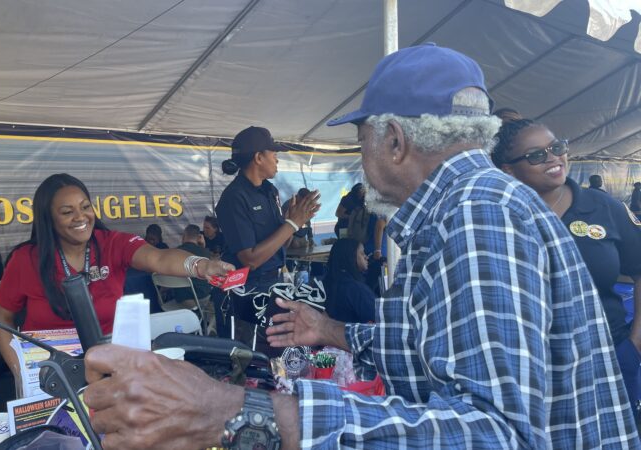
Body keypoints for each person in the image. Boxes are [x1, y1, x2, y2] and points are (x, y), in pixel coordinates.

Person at [82, 44, 639, 450]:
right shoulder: (471, 205)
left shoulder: (477, 216)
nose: (360, 155)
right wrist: (334, 332)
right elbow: (438, 348)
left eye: (361, 138)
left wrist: (236, 409)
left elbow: (499, 433)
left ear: (394, 140)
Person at [0, 174, 232, 378]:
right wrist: (20, 369)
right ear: (48, 218)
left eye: (85, 207)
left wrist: (201, 265)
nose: (80, 217)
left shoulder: (112, 243)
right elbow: (1, 318)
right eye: (67, 211)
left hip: (110, 367)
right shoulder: (25, 259)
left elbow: (159, 258)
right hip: (51, 373)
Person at [493, 118, 641, 416]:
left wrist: (635, 344)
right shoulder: (499, 217)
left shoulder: (604, 208)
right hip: (530, 368)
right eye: (536, 155)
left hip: (609, 355)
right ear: (508, 169)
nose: (552, 158)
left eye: (556, 147)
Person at [212, 126, 320, 354]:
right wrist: (291, 224)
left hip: (274, 282)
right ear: (258, 157)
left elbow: (281, 245)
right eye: (274, 154)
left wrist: (290, 225)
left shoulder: (270, 191)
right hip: (247, 289)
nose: (277, 160)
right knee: (248, 356)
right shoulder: (234, 198)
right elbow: (250, 259)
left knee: (276, 351)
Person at [173, 224, 215, 332]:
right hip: (201, 298)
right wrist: (203, 246)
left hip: (180, 299)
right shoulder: (204, 252)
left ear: (184, 236)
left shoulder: (173, 253)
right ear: (199, 237)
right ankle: (210, 328)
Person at [323, 238, 375, 323]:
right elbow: (379, 317)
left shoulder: (326, 282)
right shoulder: (357, 290)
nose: (366, 257)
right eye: (362, 253)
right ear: (351, 257)